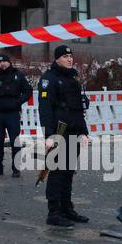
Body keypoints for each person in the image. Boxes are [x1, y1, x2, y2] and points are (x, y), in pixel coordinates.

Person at [38, 44, 90, 227]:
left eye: (71, 56)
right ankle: (54, 212)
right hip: (59, 132)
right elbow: (45, 110)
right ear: (57, 59)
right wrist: (49, 135)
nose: (70, 59)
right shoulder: (49, 80)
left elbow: (78, 109)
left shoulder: (73, 80)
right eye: (65, 56)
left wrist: (84, 131)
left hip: (74, 131)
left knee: (68, 172)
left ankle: (67, 209)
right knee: (57, 172)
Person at [0, 52, 30, 177]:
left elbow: (28, 91)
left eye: (4, 61)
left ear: (9, 62)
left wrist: (18, 101)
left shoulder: (17, 75)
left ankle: (16, 168)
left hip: (12, 113)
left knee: (14, 140)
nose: (2, 64)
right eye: (0, 61)